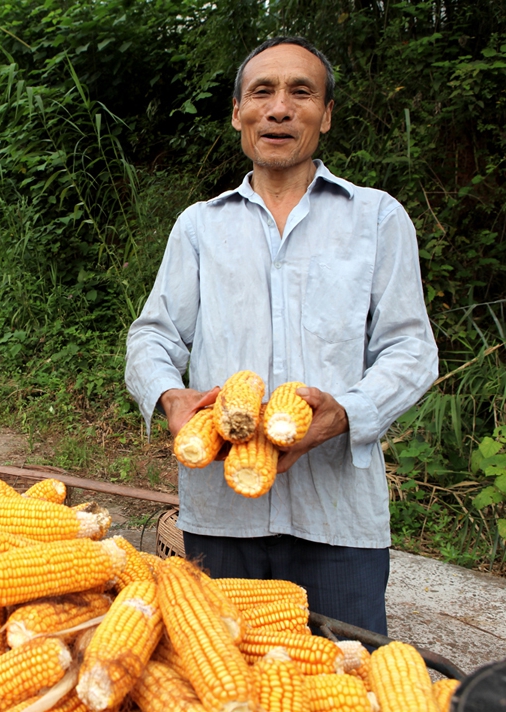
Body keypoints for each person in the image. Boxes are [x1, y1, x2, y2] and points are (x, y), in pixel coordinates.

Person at [124, 36, 438, 634]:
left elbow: (411, 348)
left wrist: (346, 412)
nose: (279, 108)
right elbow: (153, 337)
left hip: (339, 519)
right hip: (222, 513)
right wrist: (171, 397)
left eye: (302, 92)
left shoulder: (376, 217)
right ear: (238, 112)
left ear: (325, 115)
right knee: (221, 678)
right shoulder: (199, 226)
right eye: (261, 91)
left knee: (348, 681)